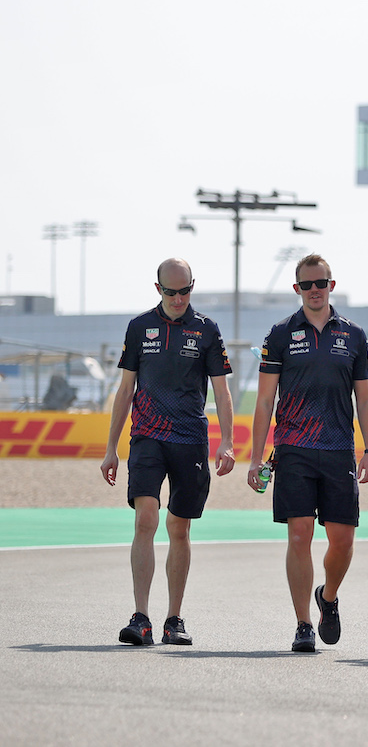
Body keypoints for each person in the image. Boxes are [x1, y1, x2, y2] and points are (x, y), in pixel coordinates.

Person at [101, 258, 235, 646]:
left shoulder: (207, 329)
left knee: (179, 526)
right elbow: (125, 390)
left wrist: (227, 441)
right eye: (170, 291)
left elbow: (222, 392)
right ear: (157, 288)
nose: (178, 298)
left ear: (193, 286)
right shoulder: (139, 327)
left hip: (190, 438)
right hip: (146, 436)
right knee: (146, 518)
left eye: (185, 290)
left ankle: (173, 618)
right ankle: (140, 616)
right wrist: (111, 448)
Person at [248, 253, 368, 653]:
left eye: (321, 283)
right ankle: (303, 623)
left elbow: (366, 400)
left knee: (342, 541)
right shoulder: (280, 334)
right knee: (300, 534)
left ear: (331, 285)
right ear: (297, 289)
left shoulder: (353, 335)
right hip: (294, 450)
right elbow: (265, 399)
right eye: (307, 285)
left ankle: (329, 596)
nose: (315, 290)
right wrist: (255, 457)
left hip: (339, 450)